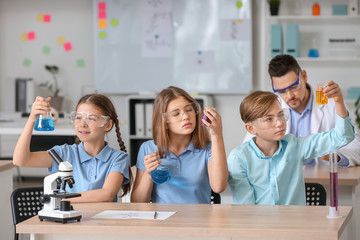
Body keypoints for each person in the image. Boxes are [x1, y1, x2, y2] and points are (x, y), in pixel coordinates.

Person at [228, 87, 355, 205]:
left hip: (296, 226)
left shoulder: (295, 146)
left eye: (281, 115)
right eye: (269, 119)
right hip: (259, 227)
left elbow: (343, 136)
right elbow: (245, 209)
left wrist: (339, 102)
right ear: (251, 129)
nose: (279, 123)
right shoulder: (238, 158)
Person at [243, 54, 360, 166]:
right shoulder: (270, 107)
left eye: (294, 87)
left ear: (304, 76)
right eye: (282, 91)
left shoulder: (331, 104)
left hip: (321, 178)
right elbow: (249, 148)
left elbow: (355, 145)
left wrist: (334, 156)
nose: (289, 96)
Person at [13, 94, 131, 202]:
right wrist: (32, 119)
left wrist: (61, 200)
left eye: (91, 118)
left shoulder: (118, 158)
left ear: (108, 125)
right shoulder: (64, 153)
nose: (82, 124)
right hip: (71, 221)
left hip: (102, 223)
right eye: (78, 117)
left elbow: (107, 194)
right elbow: (20, 160)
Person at [131, 86, 228, 203]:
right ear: (164, 122)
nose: (186, 117)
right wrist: (148, 174)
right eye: (176, 114)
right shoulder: (148, 148)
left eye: (188, 110)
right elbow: (137, 203)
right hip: (162, 219)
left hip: (200, 220)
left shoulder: (207, 148)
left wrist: (217, 135)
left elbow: (219, 187)